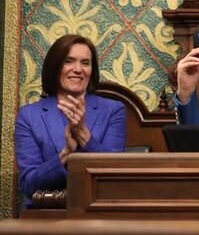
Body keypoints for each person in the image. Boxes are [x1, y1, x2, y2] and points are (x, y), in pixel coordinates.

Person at [15, 34, 126, 208]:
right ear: (55, 66)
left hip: (98, 217)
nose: (78, 69)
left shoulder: (113, 110)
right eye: (69, 61)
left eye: (85, 63)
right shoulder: (29, 116)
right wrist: (66, 154)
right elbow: (29, 185)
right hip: (44, 218)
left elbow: (114, 176)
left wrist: (84, 136)